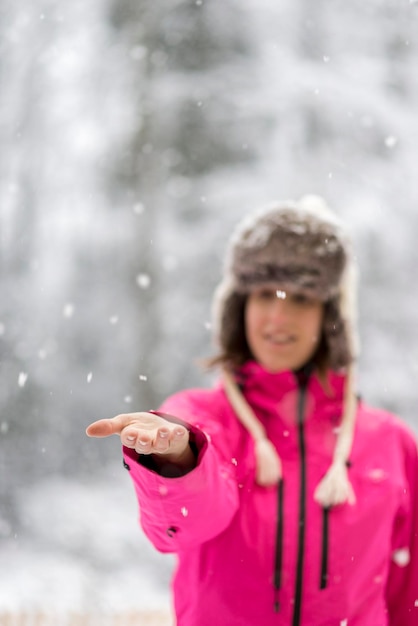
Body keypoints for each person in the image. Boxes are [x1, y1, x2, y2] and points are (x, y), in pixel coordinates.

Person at [86, 196, 418, 626]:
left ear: (330, 315)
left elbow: (409, 594)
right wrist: (177, 456)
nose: (279, 316)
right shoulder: (201, 419)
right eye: (265, 294)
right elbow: (183, 527)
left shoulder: (390, 444)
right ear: (238, 307)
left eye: (300, 297)